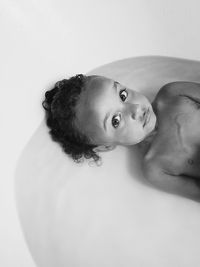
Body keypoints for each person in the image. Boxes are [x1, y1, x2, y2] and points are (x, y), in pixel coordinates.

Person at [42, 74, 200, 201]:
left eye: (122, 95)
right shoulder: (155, 168)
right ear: (106, 146)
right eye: (115, 121)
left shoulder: (173, 94)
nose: (136, 109)